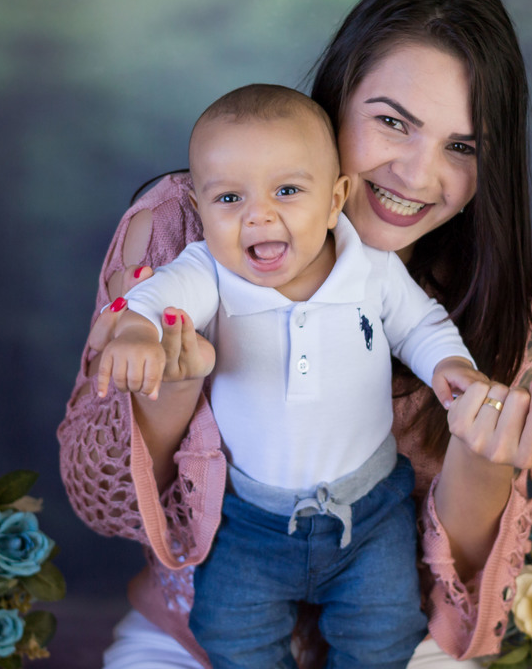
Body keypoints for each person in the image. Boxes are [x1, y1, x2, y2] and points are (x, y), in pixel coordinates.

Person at [58, 0, 532, 669]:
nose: (416, 174)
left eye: (461, 147)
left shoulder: (503, 296)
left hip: (391, 635)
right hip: (202, 631)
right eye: (392, 122)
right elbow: (105, 507)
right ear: (335, 100)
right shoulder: (192, 227)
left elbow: (454, 575)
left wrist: (486, 450)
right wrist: (167, 386)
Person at [103, 83, 488, 668]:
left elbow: (420, 326)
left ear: (335, 200)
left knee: (382, 637)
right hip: (249, 520)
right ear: (200, 211)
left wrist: (451, 366)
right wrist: (134, 328)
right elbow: (153, 299)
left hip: (368, 513)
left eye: (287, 190)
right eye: (229, 198)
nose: (259, 214)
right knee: (232, 635)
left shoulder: (370, 268)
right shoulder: (209, 271)